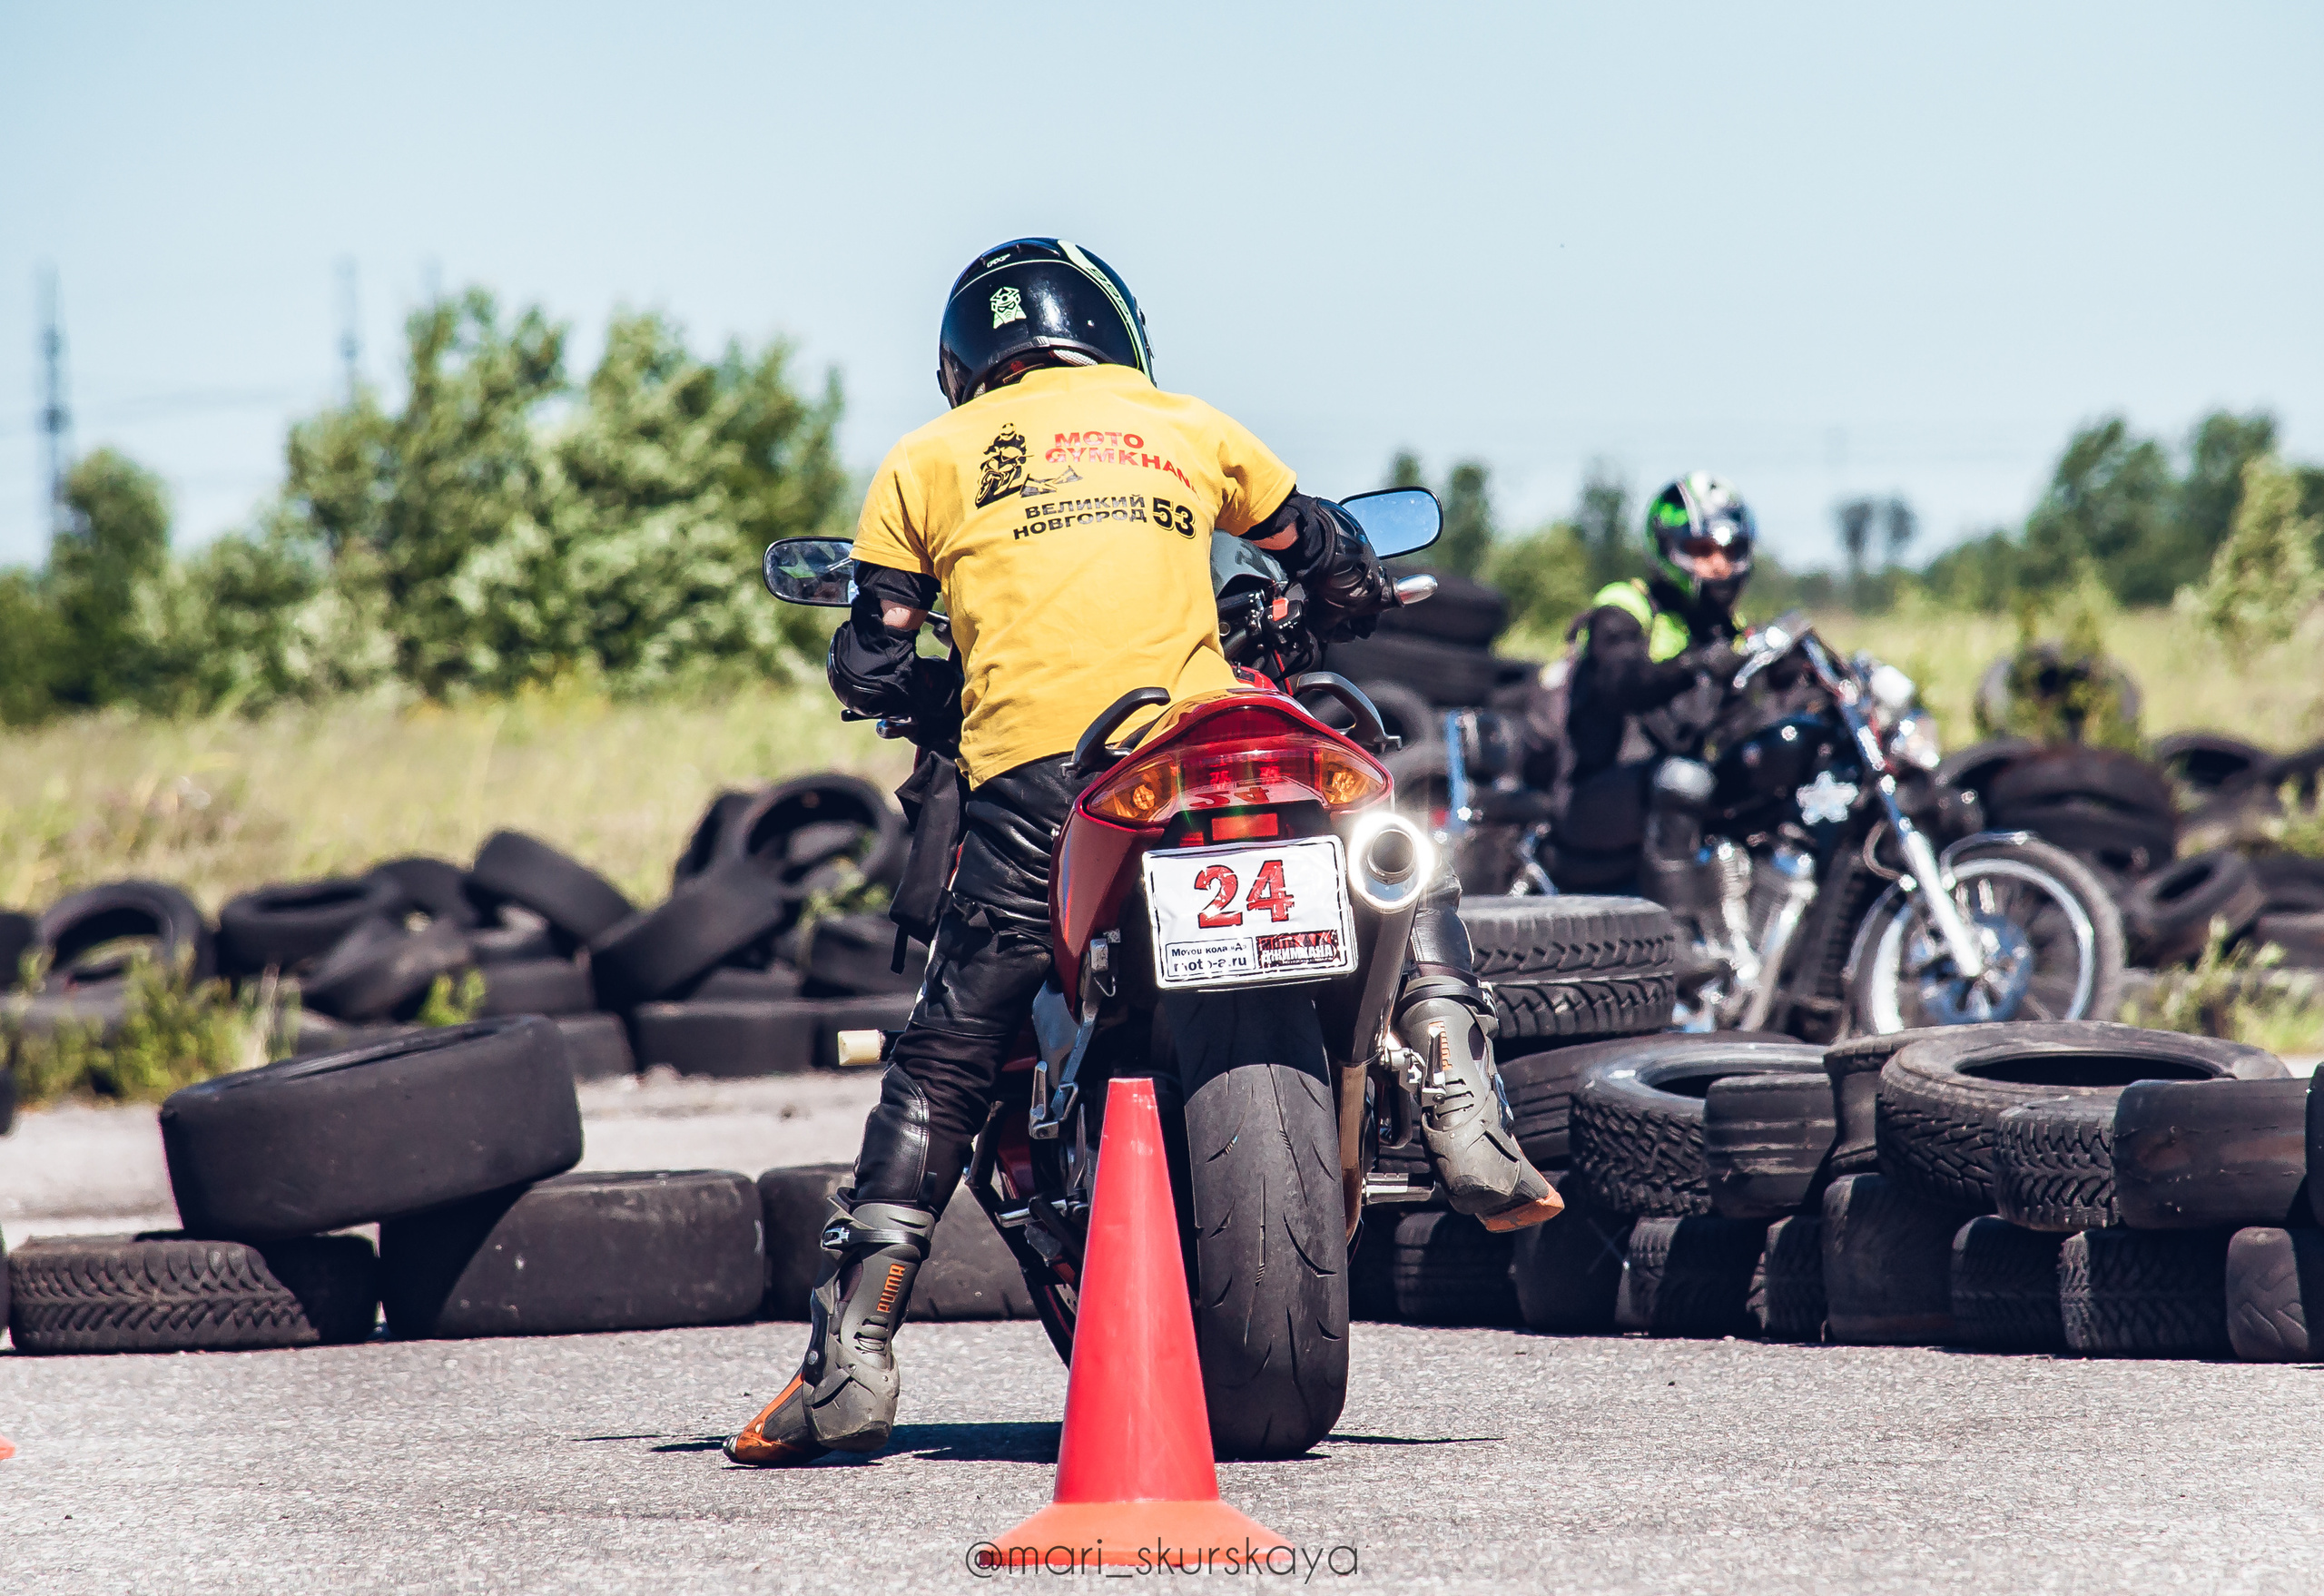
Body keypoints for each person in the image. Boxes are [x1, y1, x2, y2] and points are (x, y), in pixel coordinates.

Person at [724, 238, 1561, 1468]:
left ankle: (852, 1356)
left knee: (946, 1055)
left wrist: (905, 678)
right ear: (1111, 332)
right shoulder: (1186, 424)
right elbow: (1320, 548)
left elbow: (875, 651)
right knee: (1391, 837)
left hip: (1045, 785)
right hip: (1204, 738)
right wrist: (1345, 593)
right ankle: (1454, 1087)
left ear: (966, 363)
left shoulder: (923, 461)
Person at [1556, 474, 1756, 910]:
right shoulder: (1626, 605)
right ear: (1669, 548)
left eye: (1730, 551)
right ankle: (1676, 936)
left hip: (1675, 802)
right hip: (1592, 799)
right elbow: (1619, 681)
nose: (1719, 566)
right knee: (1681, 781)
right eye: (1703, 551)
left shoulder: (1731, 634)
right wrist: (1694, 665)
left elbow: (1747, 722)